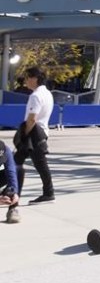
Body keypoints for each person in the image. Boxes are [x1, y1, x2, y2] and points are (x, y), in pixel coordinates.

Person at [13, 65, 55, 203]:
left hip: (33, 134)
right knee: (16, 161)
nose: (26, 80)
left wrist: (23, 135)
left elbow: (32, 119)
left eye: (28, 77)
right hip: (41, 132)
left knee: (40, 164)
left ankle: (49, 193)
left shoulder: (36, 96)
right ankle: (10, 190)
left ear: (36, 79)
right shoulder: (47, 93)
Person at [0, 139, 20, 224]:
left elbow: (11, 171)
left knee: (19, 171)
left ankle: (13, 209)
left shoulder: (5, 149)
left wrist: (14, 191)